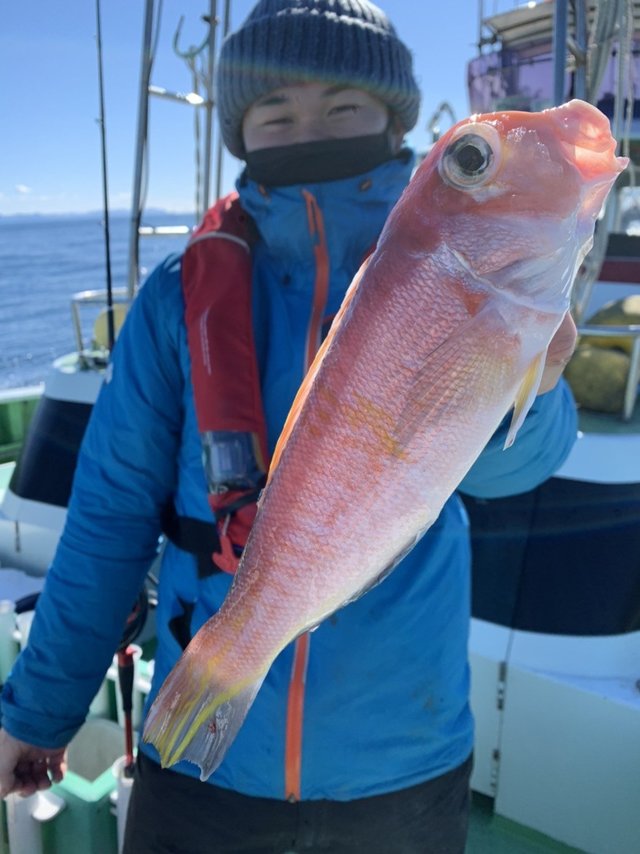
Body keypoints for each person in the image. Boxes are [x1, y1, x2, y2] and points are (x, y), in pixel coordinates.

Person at [0, 1, 578, 852]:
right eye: (275, 108)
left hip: (402, 755)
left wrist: (523, 373)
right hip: (205, 770)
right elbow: (111, 514)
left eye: (343, 103)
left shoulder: (456, 263)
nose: (309, 123)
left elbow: (513, 471)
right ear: (241, 129)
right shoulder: (177, 295)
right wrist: (42, 709)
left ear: (395, 116)